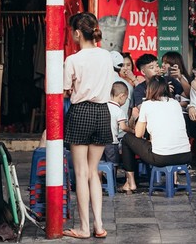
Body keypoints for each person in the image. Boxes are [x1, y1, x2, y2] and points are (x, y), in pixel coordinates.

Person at [62, 12, 116, 239]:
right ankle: (99, 226)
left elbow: (65, 91)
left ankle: (84, 227)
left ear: (76, 33)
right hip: (103, 112)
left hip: (81, 111)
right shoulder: (106, 56)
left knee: (81, 171)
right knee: (94, 171)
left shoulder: (73, 59)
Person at [120, 76, 192, 193]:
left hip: (161, 158)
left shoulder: (147, 104)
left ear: (149, 89)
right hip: (185, 155)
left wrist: (134, 117)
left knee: (127, 138)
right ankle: (174, 178)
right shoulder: (175, 103)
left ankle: (130, 182)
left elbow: (138, 134)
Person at [130, 54, 183, 120]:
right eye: (152, 68)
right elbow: (143, 109)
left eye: (157, 66)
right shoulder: (139, 89)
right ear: (143, 72)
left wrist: (180, 77)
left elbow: (187, 95)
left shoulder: (169, 80)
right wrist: (161, 91)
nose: (157, 69)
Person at [102, 82, 131, 164]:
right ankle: (112, 177)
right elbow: (123, 127)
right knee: (113, 164)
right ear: (122, 96)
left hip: (99, 141)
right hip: (112, 142)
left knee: (100, 164)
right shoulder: (119, 110)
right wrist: (132, 131)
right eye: (126, 98)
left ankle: (99, 177)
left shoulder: (104, 106)